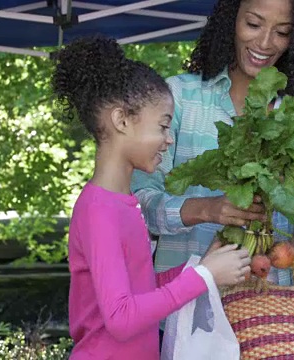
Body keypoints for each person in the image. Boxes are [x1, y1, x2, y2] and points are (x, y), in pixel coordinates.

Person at [53, 35, 251, 359]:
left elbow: (141, 292)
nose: (168, 140)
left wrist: (199, 267)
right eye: (162, 126)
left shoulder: (123, 203)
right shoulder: (98, 210)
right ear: (121, 120)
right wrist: (204, 277)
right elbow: (121, 318)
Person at [131, 0, 294, 287]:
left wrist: (293, 199)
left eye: (282, 32)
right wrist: (203, 209)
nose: (264, 42)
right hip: (180, 317)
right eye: (253, 24)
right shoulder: (178, 97)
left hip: (273, 320)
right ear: (230, 19)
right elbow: (135, 203)